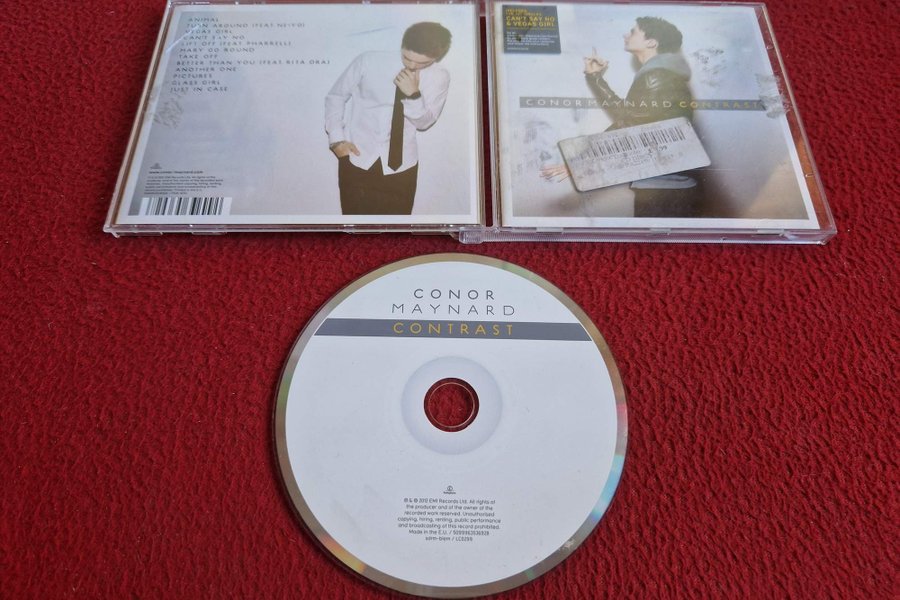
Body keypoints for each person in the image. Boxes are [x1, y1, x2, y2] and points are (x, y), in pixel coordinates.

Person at [544, 17, 703, 218]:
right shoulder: (659, 74)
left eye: (633, 31)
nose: (626, 35)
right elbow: (631, 116)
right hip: (663, 182)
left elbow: (629, 123)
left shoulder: (656, 76)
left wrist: (582, 161)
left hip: (665, 187)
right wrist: (595, 77)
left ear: (651, 42)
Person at [325, 22, 452, 215]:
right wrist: (336, 140)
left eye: (422, 63)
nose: (412, 66)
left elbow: (425, 123)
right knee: (355, 226)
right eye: (407, 58)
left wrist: (413, 95)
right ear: (403, 45)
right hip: (358, 158)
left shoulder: (439, 76)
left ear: (436, 58)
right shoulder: (368, 61)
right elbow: (336, 97)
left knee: (396, 230)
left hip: (402, 168)